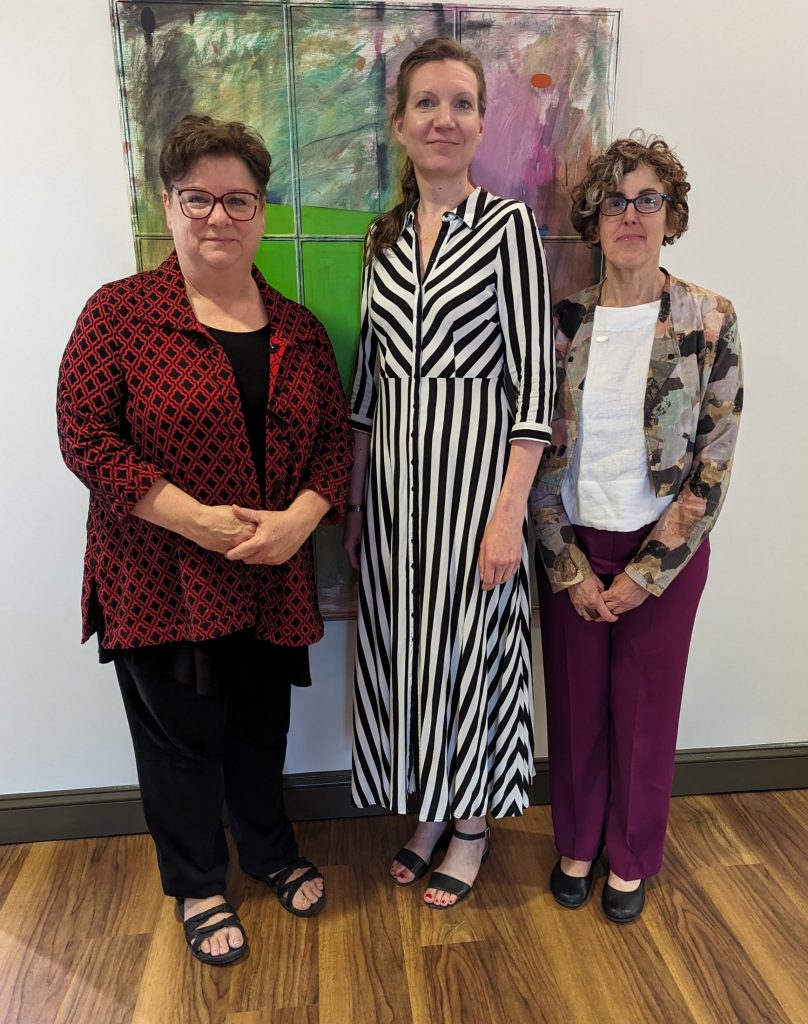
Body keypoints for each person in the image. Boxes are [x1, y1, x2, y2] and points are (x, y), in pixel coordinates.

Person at [57, 115, 352, 964]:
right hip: (158, 575)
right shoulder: (117, 313)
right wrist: (192, 518)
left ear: (261, 211)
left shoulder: (297, 327)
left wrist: (299, 520)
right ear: (169, 204)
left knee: (262, 727)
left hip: (269, 574)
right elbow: (84, 435)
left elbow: (334, 442)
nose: (218, 217)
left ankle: (266, 850)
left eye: (238, 200)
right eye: (199, 199)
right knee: (180, 738)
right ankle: (196, 882)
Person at [343, 38, 554, 909]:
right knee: (408, 660)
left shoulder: (508, 229)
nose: (444, 118)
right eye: (426, 103)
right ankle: (429, 806)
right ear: (399, 125)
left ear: (479, 124)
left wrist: (508, 517)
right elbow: (366, 385)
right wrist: (356, 508)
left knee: (471, 659)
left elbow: (534, 386)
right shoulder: (379, 237)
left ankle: (471, 827)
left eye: (461, 103)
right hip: (395, 500)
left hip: (476, 497)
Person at [530, 133, 743, 923]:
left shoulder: (709, 319)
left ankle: (632, 856)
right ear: (592, 220)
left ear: (672, 215)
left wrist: (648, 572)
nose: (630, 213)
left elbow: (713, 459)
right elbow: (530, 452)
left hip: (666, 553)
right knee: (577, 706)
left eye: (647, 199)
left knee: (647, 713)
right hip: (573, 550)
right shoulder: (560, 323)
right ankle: (578, 843)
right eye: (614, 200)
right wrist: (568, 566)